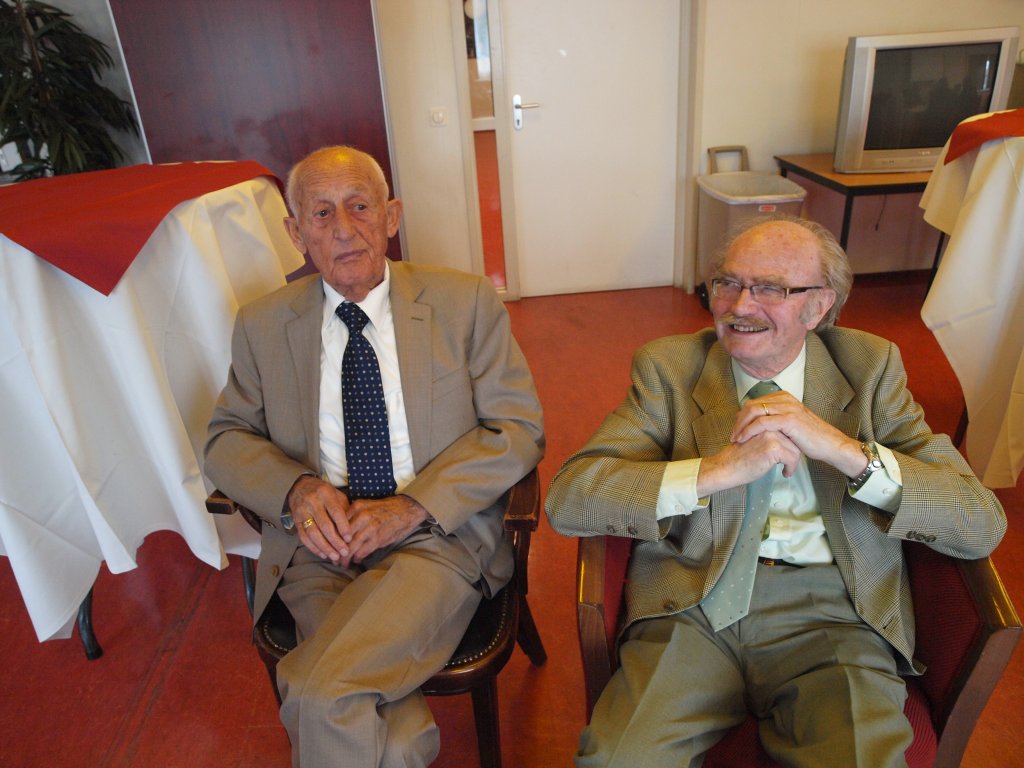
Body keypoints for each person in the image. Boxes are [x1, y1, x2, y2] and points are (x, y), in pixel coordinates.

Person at [545, 215, 1006, 768]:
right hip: (693, 605)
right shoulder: (669, 369)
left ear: (819, 307)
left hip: (833, 614)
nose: (740, 305)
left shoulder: (869, 370)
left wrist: (842, 449)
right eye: (728, 282)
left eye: (771, 289)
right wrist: (713, 471)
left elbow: (981, 521)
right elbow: (570, 498)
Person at [204, 146, 544, 768]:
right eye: (321, 213)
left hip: (435, 540)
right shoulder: (262, 324)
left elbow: (517, 428)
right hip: (319, 548)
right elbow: (226, 437)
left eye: (359, 206)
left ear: (391, 217)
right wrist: (297, 490)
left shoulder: (463, 302)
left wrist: (412, 506)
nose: (343, 229)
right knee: (398, 737)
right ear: (296, 234)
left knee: (316, 689)